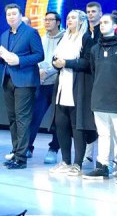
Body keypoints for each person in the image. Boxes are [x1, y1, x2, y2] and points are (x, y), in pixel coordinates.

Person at [84, 12, 117, 185]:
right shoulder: (95, 49)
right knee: (103, 134)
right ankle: (102, 167)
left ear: (115, 26)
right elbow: (94, 71)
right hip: (98, 98)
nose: (102, 25)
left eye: (106, 22)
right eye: (101, 23)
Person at [0, 3, 45, 169]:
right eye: (8, 14)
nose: (11, 17)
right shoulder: (4, 35)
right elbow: (4, 58)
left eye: (14, 14)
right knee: (12, 119)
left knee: (22, 119)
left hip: (25, 80)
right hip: (8, 80)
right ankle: (16, 152)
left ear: (20, 15)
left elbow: (40, 55)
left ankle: (21, 158)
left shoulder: (31, 32)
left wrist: (20, 60)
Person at [48, 10, 94, 177]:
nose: (69, 20)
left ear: (81, 21)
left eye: (73, 18)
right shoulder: (64, 38)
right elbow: (55, 59)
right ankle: (65, 161)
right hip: (62, 85)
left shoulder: (86, 39)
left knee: (77, 125)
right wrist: (56, 63)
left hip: (78, 86)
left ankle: (77, 164)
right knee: (61, 124)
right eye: (68, 18)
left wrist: (66, 63)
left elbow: (87, 62)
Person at [28, 11, 63, 164]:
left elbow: (61, 61)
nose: (47, 22)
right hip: (42, 84)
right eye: (45, 19)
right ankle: (27, 147)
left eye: (50, 19)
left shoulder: (65, 38)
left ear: (58, 22)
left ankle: (54, 149)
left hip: (58, 83)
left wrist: (46, 71)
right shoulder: (41, 38)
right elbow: (37, 57)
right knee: (34, 116)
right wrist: (39, 71)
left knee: (58, 119)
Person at [83, 1, 102, 163]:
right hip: (85, 78)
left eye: (93, 11)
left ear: (100, 13)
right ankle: (88, 153)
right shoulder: (84, 32)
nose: (90, 14)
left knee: (101, 118)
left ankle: (105, 157)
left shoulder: (103, 32)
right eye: (88, 12)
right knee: (87, 116)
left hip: (101, 78)